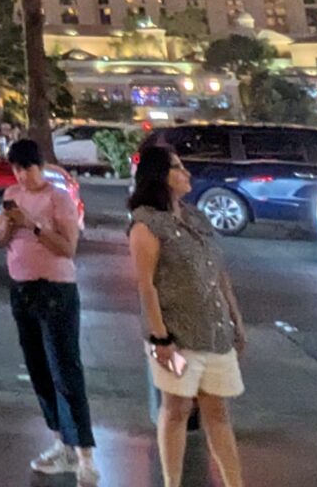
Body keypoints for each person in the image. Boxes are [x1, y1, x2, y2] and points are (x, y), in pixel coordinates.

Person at [129, 143, 246, 487]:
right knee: (177, 408)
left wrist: (235, 319)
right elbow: (147, 286)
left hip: (213, 331)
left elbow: (217, 272)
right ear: (160, 176)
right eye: (178, 167)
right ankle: (172, 481)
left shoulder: (195, 217)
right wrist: (161, 338)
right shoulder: (146, 225)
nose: (186, 173)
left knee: (217, 411)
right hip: (176, 337)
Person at [0, 140, 95, 481]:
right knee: (38, 368)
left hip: (55, 289)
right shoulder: (11, 195)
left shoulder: (58, 198)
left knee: (64, 368)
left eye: (27, 168)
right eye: (16, 169)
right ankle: (60, 442)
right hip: (21, 288)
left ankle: (84, 453)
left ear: (41, 167)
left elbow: (68, 247)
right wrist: (8, 224)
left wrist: (33, 225)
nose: (22, 176)